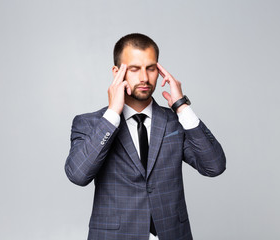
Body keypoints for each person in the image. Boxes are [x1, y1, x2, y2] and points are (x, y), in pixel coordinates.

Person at [65, 33, 226, 240]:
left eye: (150, 68)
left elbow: (214, 166)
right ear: (117, 72)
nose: (144, 77)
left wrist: (182, 106)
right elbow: (78, 175)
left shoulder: (174, 122)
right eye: (134, 69)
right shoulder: (90, 123)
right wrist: (113, 113)